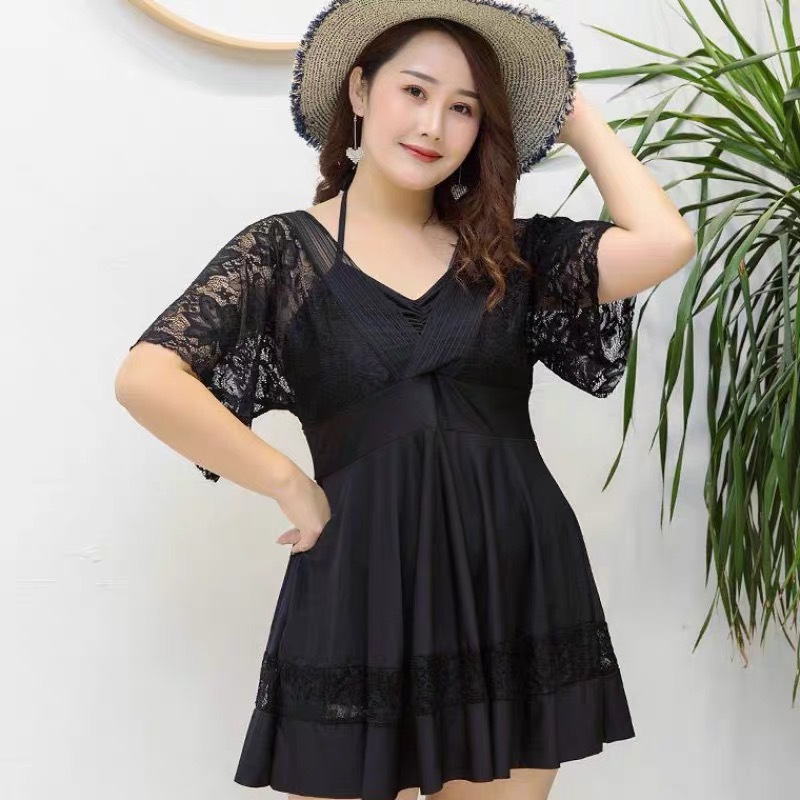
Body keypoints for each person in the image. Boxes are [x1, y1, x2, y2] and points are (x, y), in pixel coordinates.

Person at [115, 2, 696, 799]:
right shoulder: (282, 254)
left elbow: (666, 243)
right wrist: (288, 483)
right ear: (360, 91)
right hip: (360, 587)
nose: (433, 125)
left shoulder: (512, 253)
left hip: (511, 584)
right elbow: (147, 376)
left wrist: (574, 117)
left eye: (464, 107)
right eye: (415, 91)